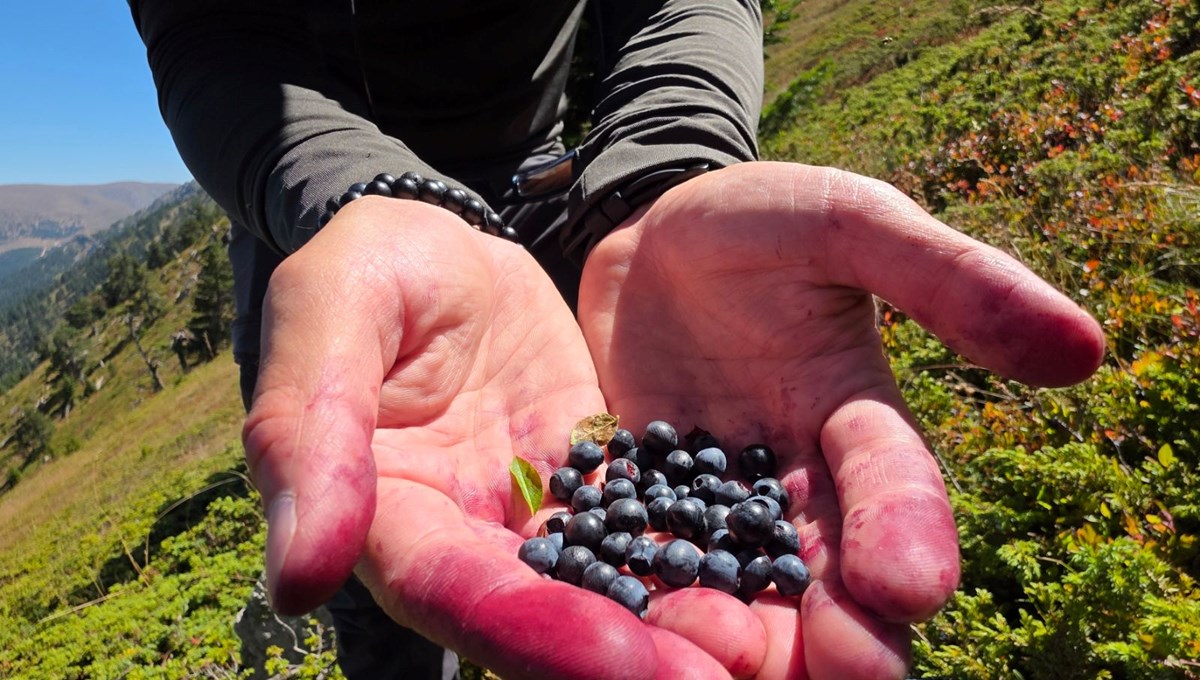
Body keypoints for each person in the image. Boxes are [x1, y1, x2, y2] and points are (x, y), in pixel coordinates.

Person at [130, 1, 1106, 678]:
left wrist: (670, 170)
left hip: (555, 189)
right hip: (331, 236)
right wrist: (364, 199)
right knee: (375, 574)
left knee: (536, 529)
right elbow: (213, 37)